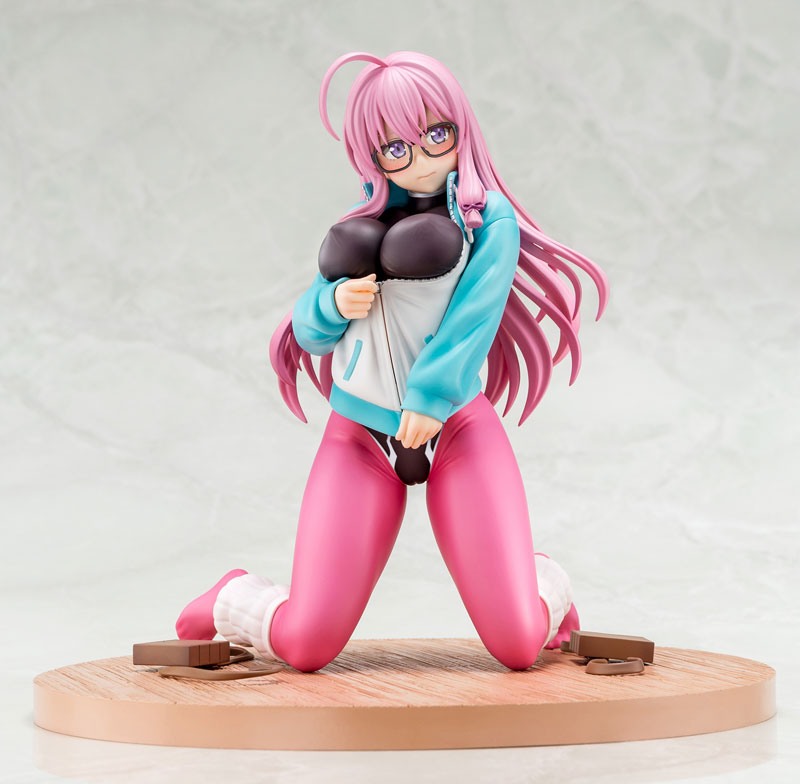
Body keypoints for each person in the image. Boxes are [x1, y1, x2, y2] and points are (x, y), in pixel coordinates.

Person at [176, 51, 608, 673]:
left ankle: (543, 583)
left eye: (438, 135)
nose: (423, 159)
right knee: (306, 645)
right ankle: (232, 598)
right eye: (396, 149)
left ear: (461, 128)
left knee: (518, 645)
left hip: (456, 426)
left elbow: (475, 318)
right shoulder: (365, 222)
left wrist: (431, 397)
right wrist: (330, 304)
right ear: (373, 156)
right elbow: (311, 333)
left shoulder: (487, 219)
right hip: (359, 434)